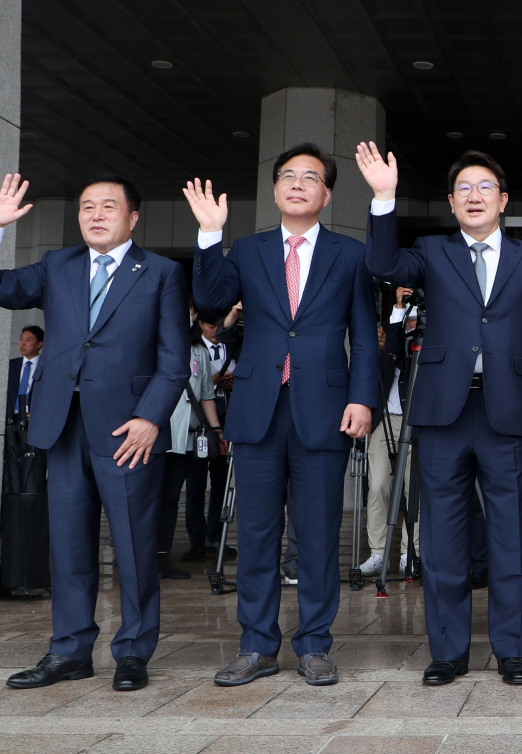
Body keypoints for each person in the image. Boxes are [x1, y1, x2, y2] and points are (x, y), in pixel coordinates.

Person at [0, 172, 188, 693]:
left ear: (132, 217)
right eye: (87, 206)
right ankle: (69, 652)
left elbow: (174, 359)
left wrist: (151, 416)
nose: (95, 214)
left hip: (127, 430)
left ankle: (133, 652)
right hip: (62, 425)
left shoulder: (159, 272)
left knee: (134, 546)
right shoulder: (57, 265)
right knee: (68, 546)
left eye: (108, 206)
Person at [357, 143, 522, 686]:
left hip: (511, 411)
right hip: (444, 410)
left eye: (485, 188)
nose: (475, 197)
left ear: (503, 200)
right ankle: (447, 652)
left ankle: (513, 649)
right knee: (444, 535)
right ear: (451, 203)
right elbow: (382, 264)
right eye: (464, 190)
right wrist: (383, 197)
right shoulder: (431, 251)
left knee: (513, 535)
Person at [184, 142, 378, 687]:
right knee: (258, 532)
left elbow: (364, 335)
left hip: (325, 408)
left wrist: (362, 398)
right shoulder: (246, 250)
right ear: (275, 189)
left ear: (326, 193)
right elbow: (211, 301)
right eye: (288, 176)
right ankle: (256, 645)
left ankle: (315, 645)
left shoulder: (351, 254)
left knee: (318, 536)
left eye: (310, 177)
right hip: (257, 409)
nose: (297, 183)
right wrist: (208, 236)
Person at [360, 288, 421, 577]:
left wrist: (398, 345)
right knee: (379, 486)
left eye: (413, 319)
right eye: (406, 318)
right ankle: (377, 552)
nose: (410, 323)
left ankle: (411, 553)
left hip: (415, 423)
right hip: (384, 421)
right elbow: (372, 373)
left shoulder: (424, 340)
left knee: (414, 490)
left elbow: (409, 365)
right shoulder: (383, 338)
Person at [157, 316, 222, 580]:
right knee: (148, 497)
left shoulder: (199, 351)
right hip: (155, 433)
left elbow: (206, 394)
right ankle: (140, 557)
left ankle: (162, 558)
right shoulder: (154, 345)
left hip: (185, 437)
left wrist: (216, 430)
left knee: (171, 498)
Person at [183, 311, 235, 561]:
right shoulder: (192, 348)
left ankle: (215, 537)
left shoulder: (232, 345)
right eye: (210, 325)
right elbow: (198, 388)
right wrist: (214, 380)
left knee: (221, 482)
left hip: (225, 420)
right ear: (199, 323)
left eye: (219, 325)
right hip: (198, 422)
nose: (215, 329)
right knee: (195, 483)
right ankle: (197, 539)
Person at [7, 326, 44, 418]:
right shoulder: (10, 365)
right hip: (10, 418)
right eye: (21, 339)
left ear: (39, 344)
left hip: (34, 419)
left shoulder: (46, 367)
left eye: (28, 340)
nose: (22, 343)